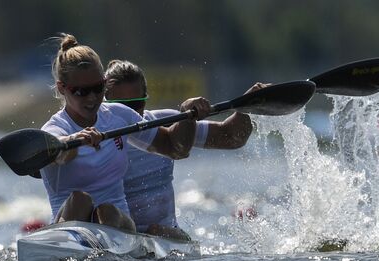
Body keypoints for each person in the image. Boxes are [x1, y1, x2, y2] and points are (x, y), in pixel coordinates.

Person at [39, 34, 211, 233]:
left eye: (98, 88)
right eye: (82, 92)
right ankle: (69, 244)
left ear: (105, 82)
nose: (93, 98)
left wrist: (187, 114)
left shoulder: (119, 116)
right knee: (80, 199)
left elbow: (175, 149)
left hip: (119, 224)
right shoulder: (55, 129)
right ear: (62, 88)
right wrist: (73, 141)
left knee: (106, 211)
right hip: (70, 222)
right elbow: (59, 151)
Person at [104, 60, 266, 240]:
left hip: (165, 236)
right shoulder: (91, 134)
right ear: (103, 102)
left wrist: (249, 105)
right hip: (117, 234)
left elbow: (231, 137)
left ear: (146, 98)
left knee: (155, 232)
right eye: (117, 106)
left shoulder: (165, 121)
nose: (128, 114)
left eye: (135, 105)